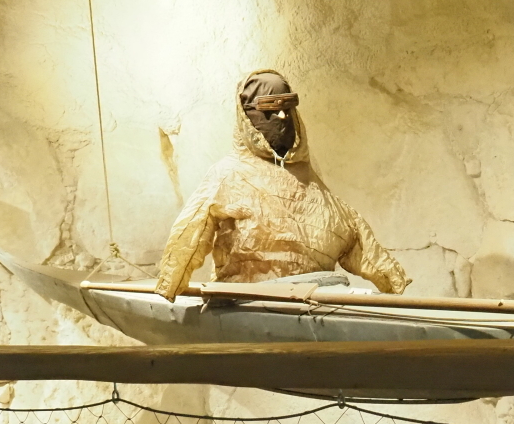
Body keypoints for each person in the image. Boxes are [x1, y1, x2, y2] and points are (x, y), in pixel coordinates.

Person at [154, 70, 410, 300]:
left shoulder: (310, 181)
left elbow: (353, 232)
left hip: (314, 300)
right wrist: (170, 285)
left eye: (288, 108)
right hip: (244, 303)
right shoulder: (228, 175)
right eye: (270, 110)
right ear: (248, 115)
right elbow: (189, 232)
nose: (281, 116)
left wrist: (392, 280)